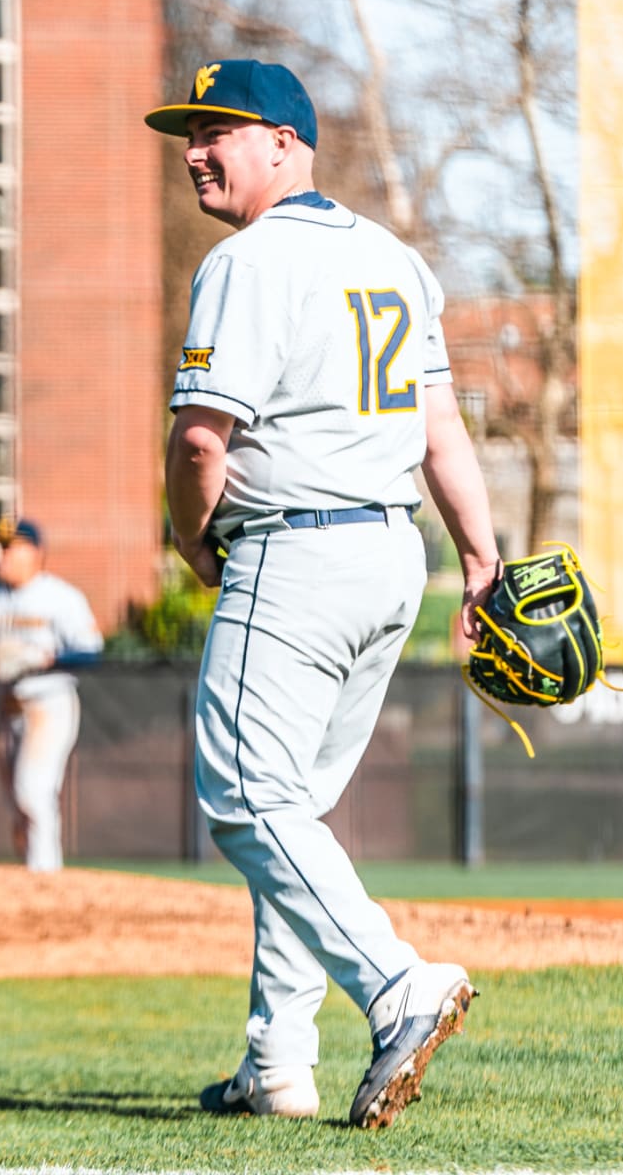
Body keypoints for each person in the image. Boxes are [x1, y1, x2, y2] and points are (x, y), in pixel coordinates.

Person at [145, 60, 502, 1128]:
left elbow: (202, 436)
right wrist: (480, 556)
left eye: (221, 127)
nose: (198, 147)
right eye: (191, 130)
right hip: (391, 558)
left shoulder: (249, 261)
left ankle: (398, 984)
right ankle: (276, 1060)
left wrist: (188, 539)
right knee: (294, 811)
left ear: (288, 144)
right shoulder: (394, 260)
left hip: (294, 557)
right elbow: (439, 427)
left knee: (246, 797)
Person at [0, 517, 104, 873]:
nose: (2, 556)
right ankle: (31, 880)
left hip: (49, 704)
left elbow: (91, 651)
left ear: (35, 553)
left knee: (33, 791)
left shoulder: (60, 597)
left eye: (11, 548)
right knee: (17, 801)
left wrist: (48, 658)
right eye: (0, 548)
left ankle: (45, 877)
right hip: (6, 706)